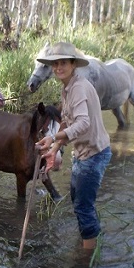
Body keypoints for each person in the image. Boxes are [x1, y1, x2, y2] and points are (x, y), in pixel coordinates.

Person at [36, 42, 111, 250]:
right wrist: (53, 149)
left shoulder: (78, 87)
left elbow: (83, 123)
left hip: (94, 154)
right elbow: (68, 121)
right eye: (55, 64)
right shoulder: (68, 88)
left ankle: (87, 258)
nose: (58, 67)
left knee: (83, 206)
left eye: (63, 63)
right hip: (83, 153)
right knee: (77, 200)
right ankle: (90, 237)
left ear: (73, 65)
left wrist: (53, 137)